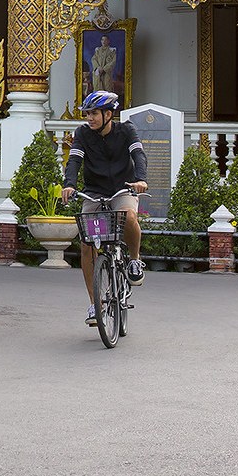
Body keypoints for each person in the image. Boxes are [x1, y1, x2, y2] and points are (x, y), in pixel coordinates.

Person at [60, 89, 148, 329]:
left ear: (108, 114)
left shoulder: (126, 131)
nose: (89, 118)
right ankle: (94, 303)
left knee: (129, 215)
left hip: (124, 188)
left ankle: (134, 260)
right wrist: (69, 184)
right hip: (94, 192)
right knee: (87, 244)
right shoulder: (82, 134)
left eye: (94, 113)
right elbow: (74, 160)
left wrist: (140, 180)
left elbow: (139, 155)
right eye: (88, 114)